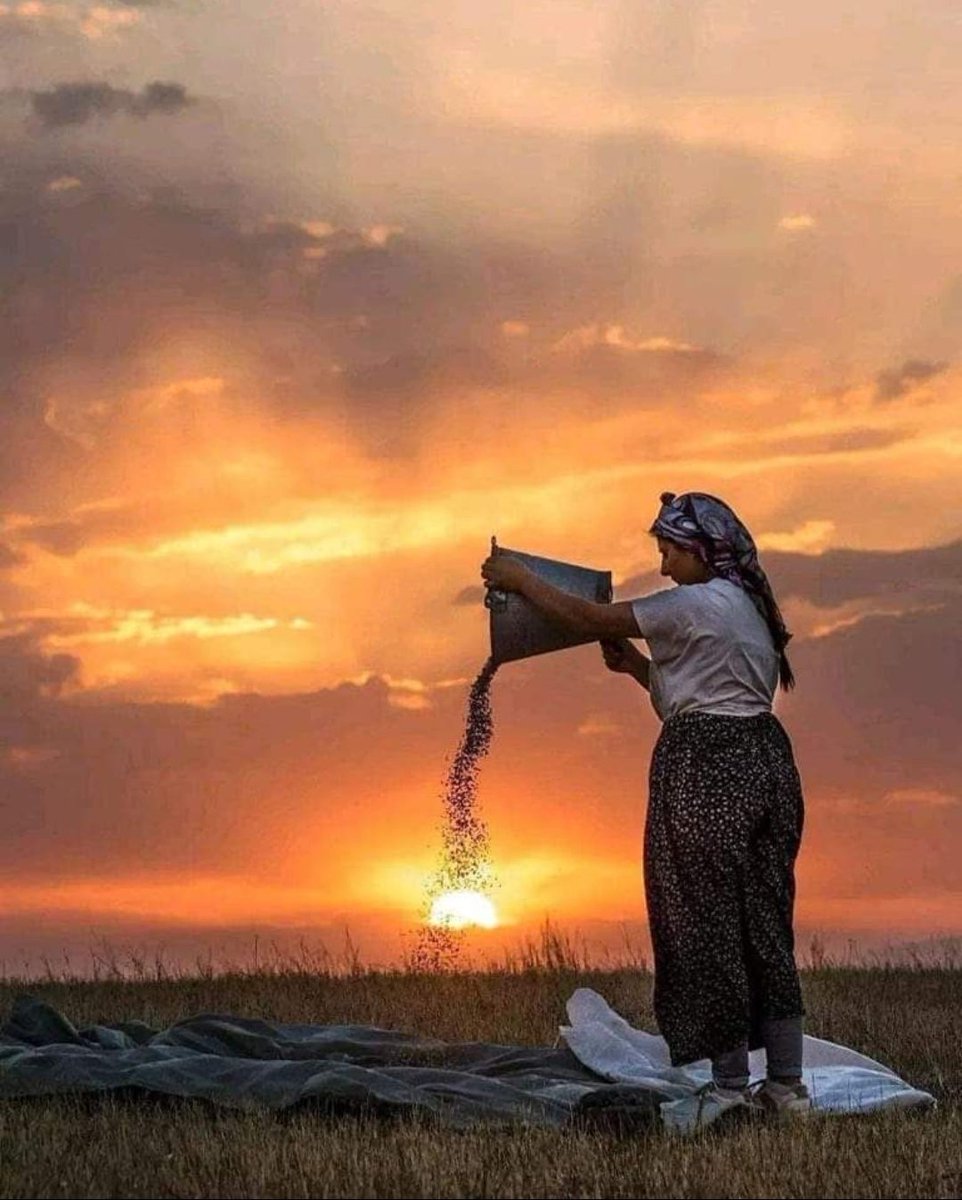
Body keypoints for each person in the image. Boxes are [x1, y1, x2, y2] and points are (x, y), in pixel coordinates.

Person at [481, 490, 810, 1133]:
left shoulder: (694, 602)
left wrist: (518, 578)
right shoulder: (746, 608)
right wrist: (636, 667)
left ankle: (727, 1091)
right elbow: (695, 697)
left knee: (707, 924)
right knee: (763, 925)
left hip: (707, 769)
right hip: (766, 762)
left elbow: (586, 616)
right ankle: (787, 1088)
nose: (661, 566)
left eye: (666, 550)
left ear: (696, 550)